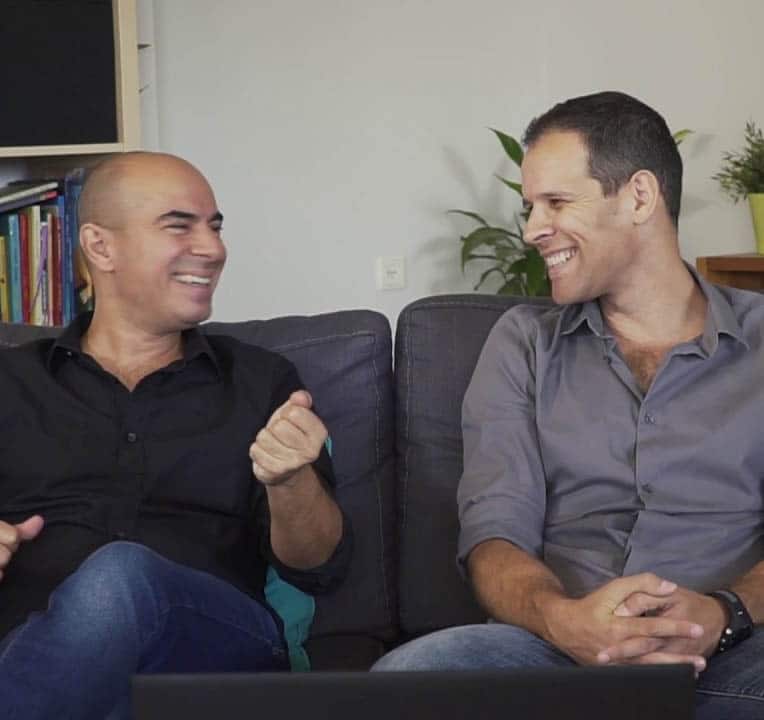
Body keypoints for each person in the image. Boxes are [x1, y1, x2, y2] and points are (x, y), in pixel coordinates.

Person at [372, 91, 764, 719]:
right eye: (530, 208)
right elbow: (494, 534)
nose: (532, 230)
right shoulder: (524, 344)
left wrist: (724, 613)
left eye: (556, 202)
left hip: (737, 653)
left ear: (639, 197)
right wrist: (565, 621)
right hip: (554, 653)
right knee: (404, 680)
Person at [0, 152, 351, 719]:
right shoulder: (12, 383)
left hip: (213, 645)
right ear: (100, 247)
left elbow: (318, 565)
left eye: (215, 227)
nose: (212, 249)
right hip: (32, 645)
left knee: (121, 575)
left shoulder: (260, 380)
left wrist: (290, 481)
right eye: (179, 226)